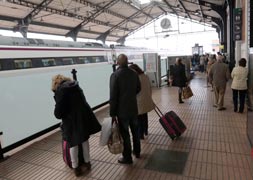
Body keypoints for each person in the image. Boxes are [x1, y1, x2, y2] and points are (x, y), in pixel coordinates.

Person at [51, 74, 101, 176]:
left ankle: (76, 168)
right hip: (82, 117)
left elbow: (58, 113)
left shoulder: (61, 91)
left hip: (71, 121)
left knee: (73, 143)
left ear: (56, 83)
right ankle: (87, 162)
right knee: (84, 140)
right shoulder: (75, 86)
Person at [109, 54, 141, 164]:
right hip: (133, 108)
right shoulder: (134, 73)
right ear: (127, 62)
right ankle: (137, 152)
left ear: (117, 62)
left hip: (122, 111)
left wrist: (112, 113)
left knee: (125, 134)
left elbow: (113, 96)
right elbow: (138, 88)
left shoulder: (115, 75)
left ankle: (127, 157)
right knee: (135, 131)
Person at [129, 64, 155, 139]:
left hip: (138, 101)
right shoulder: (145, 76)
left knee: (138, 118)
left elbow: (133, 91)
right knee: (144, 116)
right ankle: (145, 131)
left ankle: (140, 135)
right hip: (146, 100)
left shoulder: (134, 78)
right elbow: (150, 87)